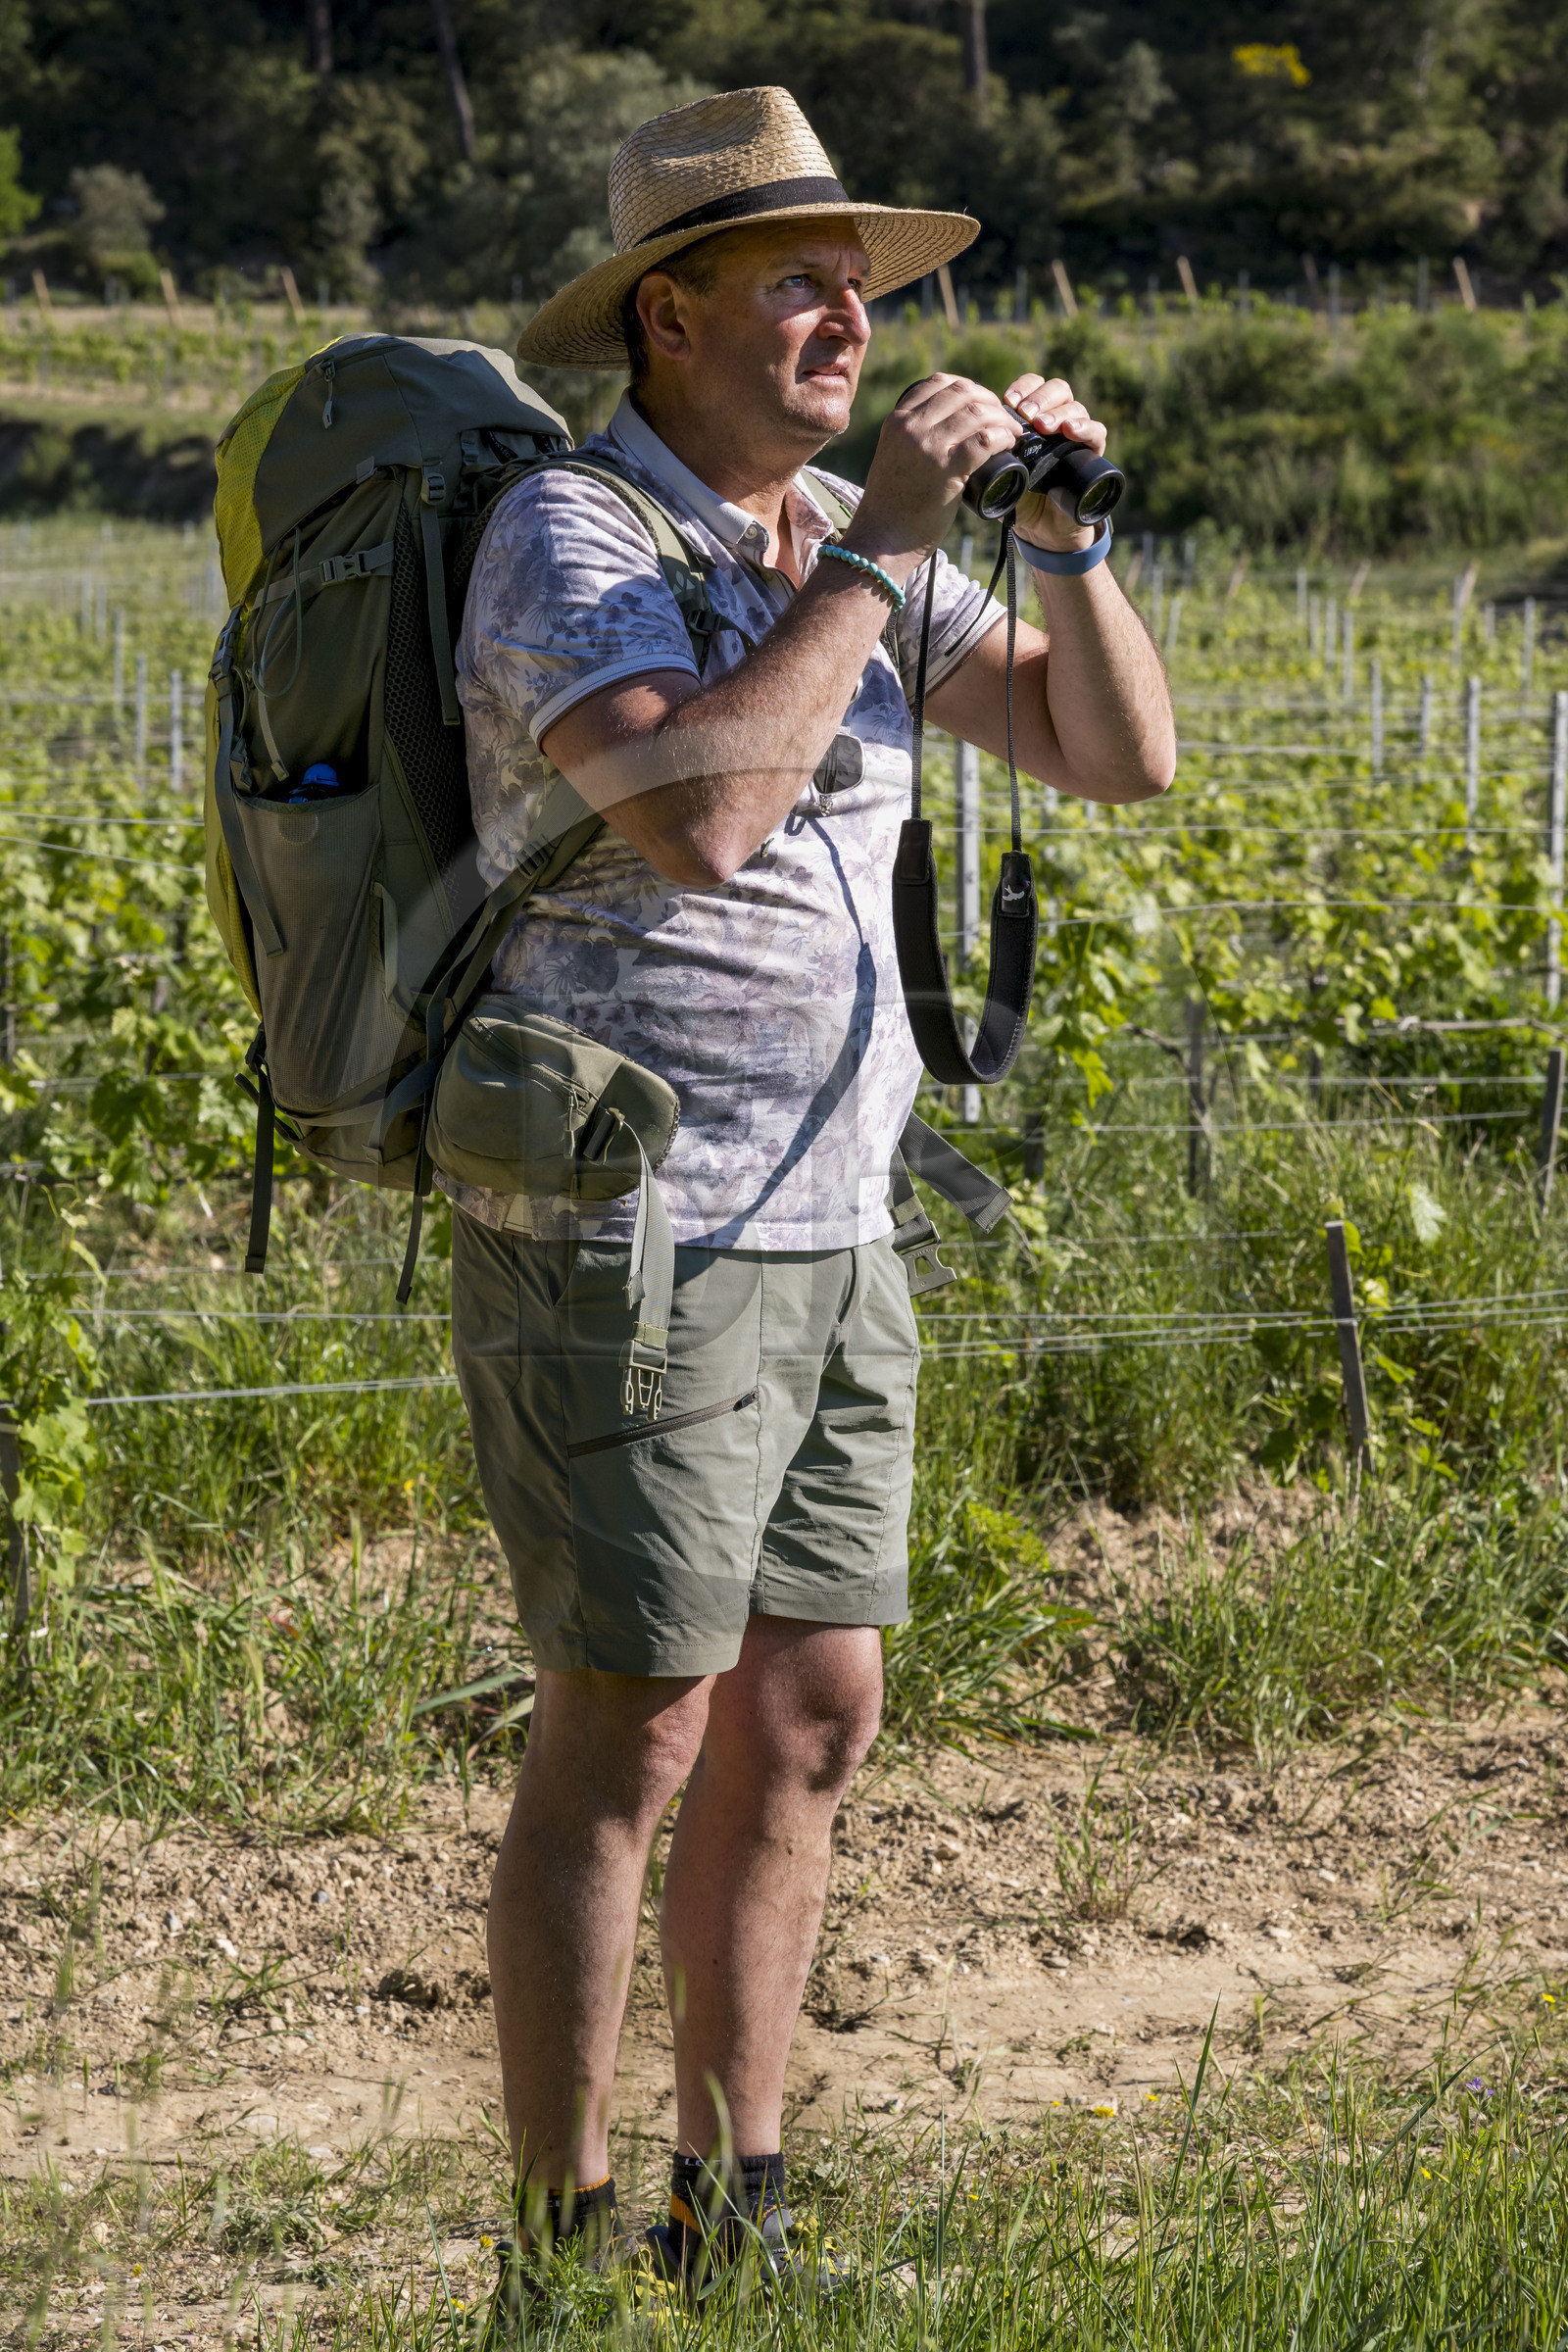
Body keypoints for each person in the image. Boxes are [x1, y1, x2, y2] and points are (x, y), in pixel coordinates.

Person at [448, 82, 1174, 2291]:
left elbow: (1109, 753)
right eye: (797, 279)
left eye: (859, 280)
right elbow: (706, 823)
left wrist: (1058, 542)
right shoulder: (574, 543)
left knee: (808, 1713)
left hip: (837, 1222)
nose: (848, 316)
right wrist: (875, 545)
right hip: (631, 1231)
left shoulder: (848, 557)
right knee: (633, 1722)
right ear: (665, 318)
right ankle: (558, 2253)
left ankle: (727, 2217)